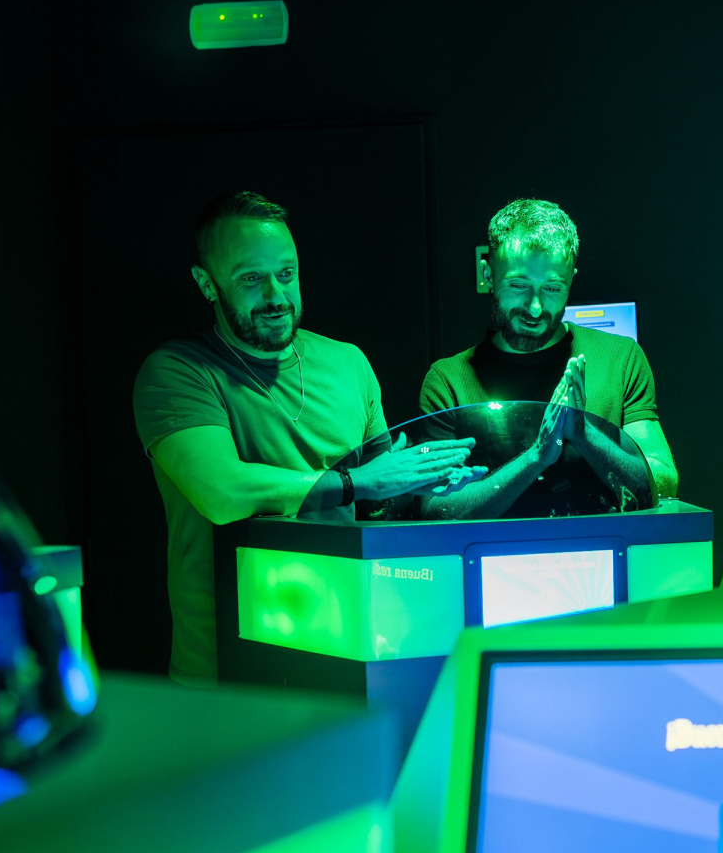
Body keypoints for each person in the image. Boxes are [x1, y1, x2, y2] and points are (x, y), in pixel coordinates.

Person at [134, 191, 481, 685]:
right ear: (206, 284)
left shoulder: (348, 364)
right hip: (225, 676)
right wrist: (358, 482)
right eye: (251, 278)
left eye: (286, 273)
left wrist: (416, 483)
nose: (276, 295)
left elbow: (379, 500)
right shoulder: (177, 371)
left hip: (341, 655)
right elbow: (223, 492)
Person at [415, 198, 677, 519]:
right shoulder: (447, 380)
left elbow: (664, 482)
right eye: (518, 285)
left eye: (553, 288)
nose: (535, 307)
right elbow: (433, 507)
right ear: (488, 274)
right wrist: (537, 457)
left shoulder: (620, 358)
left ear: (571, 280)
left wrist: (583, 433)